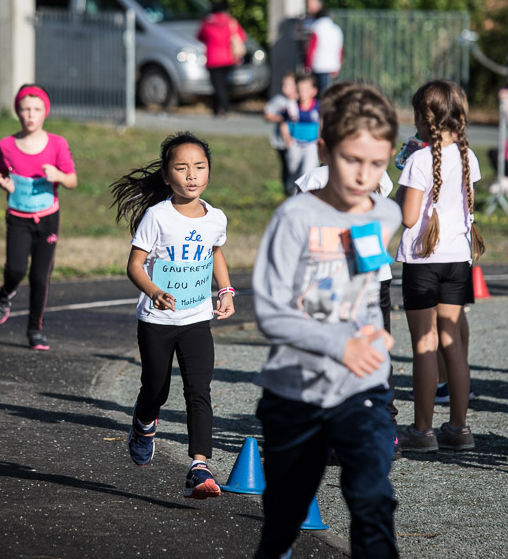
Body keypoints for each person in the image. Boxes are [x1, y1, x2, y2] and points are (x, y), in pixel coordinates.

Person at [253, 83, 401, 558]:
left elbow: (366, 288)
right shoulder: (295, 217)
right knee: (284, 520)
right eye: (352, 159)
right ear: (324, 150)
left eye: (376, 164)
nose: (364, 175)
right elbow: (270, 311)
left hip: (362, 388)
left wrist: (375, 331)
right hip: (295, 391)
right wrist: (339, 344)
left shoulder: (386, 214)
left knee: (373, 500)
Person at [110, 132, 234, 499]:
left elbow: (214, 252)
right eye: (181, 168)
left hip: (196, 319)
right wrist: (154, 292)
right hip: (157, 321)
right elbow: (134, 266)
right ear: (166, 176)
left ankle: (199, 466)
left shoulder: (216, 218)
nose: (192, 175)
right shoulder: (157, 217)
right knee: (156, 389)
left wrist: (226, 290)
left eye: (200, 167)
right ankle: (143, 423)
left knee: (199, 390)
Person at [395, 80, 483, 453]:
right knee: (453, 343)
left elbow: (408, 216)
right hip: (457, 259)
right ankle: (460, 428)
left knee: (424, 344)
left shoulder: (418, 160)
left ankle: (423, 430)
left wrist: (402, 176)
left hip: (423, 261)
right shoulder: (467, 155)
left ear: (423, 118)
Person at [0, 85, 77, 351]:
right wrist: (3, 183)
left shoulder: (57, 144)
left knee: (40, 277)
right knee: (16, 269)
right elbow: (2, 173)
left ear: (45, 112)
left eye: (36, 109)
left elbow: (72, 180)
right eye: (25, 109)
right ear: (17, 111)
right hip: (18, 217)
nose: (30, 115)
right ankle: (5, 294)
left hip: (48, 217)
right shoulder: (6, 145)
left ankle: (35, 330)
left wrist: (59, 176)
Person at [197, 0, 247, 116]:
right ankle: (218, 107)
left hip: (213, 59)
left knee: (217, 84)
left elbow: (200, 36)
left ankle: (223, 107)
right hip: (228, 58)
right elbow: (241, 36)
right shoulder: (230, 22)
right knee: (223, 84)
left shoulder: (207, 22)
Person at [263, 72, 298, 195]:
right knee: (287, 165)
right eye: (283, 85)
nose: (284, 88)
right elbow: (267, 115)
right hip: (281, 141)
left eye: (288, 85)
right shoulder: (279, 100)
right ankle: (287, 188)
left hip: (298, 140)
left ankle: (296, 187)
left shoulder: (301, 101)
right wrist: (281, 118)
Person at [283, 73, 321, 183]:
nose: (302, 93)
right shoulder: (292, 106)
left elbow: (323, 123)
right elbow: (284, 124)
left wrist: (321, 138)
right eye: (300, 90)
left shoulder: (318, 107)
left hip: (311, 144)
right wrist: (287, 138)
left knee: (307, 172)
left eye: (306, 90)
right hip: (295, 143)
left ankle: (304, 191)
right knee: (293, 169)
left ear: (314, 91)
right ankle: (291, 186)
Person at [304, 8, 343, 94]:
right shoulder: (336, 29)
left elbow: (312, 47)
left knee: (320, 93)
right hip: (333, 65)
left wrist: (308, 65)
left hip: (319, 65)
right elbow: (340, 49)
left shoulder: (316, 27)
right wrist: (338, 65)